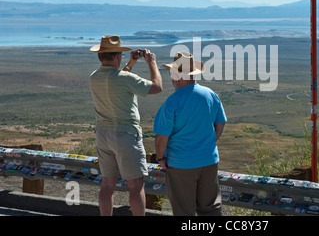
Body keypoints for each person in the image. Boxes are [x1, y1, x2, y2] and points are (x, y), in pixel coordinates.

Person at [89, 35, 162, 216]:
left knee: (107, 184)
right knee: (136, 186)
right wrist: (152, 63)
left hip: (103, 135)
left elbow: (116, 78)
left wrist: (130, 63)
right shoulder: (124, 79)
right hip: (126, 135)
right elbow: (157, 87)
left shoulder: (94, 77)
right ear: (116, 57)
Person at [153, 52, 227, 216]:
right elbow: (220, 123)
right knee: (211, 208)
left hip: (181, 164)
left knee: (184, 210)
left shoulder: (172, 102)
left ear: (177, 75)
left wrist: (161, 158)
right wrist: (211, 142)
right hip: (209, 160)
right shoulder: (210, 94)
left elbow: (161, 137)